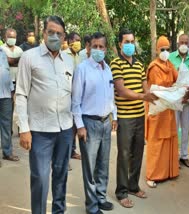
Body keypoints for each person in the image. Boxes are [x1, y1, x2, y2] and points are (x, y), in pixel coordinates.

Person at [15, 16, 74, 214]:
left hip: (65, 129)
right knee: (40, 178)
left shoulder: (69, 60)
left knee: (61, 176)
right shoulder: (29, 57)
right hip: (40, 130)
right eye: (51, 32)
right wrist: (24, 128)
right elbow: (21, 94)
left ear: (64, 36)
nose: (55, 36)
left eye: (59, 33)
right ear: (44, 33)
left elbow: (72, 93)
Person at [110, 28, 157, 208]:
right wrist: (142, 97)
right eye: (126, 42)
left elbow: (146, 88)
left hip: (140, 116)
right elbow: (120, 90)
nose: (130, 45)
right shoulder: (116, 63)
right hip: (125, 116)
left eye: (132, 42)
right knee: (123, 155)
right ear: (120, 44)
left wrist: (158, 96)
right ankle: (121, 192)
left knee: (137, 153)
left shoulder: (139, 64)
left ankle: (133, 186)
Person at [72, 32, 117, 214]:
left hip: (106, 122)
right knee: (89, 168)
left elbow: (111, 96)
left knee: (103, 164)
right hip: (89, 124)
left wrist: (115, 116)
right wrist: (80, 125)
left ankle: (100, 197)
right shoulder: (82, 69)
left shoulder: (108, 69)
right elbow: (75, 101)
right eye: (95, 46)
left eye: (101, 47)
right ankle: (91, 206)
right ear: (89, 48)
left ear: (106, 49)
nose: (98, 50)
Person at [145, 36, 179, 188]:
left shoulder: (170, 65)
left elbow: (178, 81)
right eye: (162, 49)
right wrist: (173, 90)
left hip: (168, 109)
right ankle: (152, 175)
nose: (165, 52)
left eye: (167, 49)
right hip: (157, 109)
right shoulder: (154, 67)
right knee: (156, 141)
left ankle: (168, 172)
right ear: (157, 50)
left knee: (168, 139)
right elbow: (157, 89)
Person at [169, 34, 189, 168]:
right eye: (182, 42)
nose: (184, 45)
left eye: (186, 42)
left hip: (187, 101)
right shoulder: (170, 57)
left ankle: (184, 156)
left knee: (185, 128)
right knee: (174, 128)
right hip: (174, 99)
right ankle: (173, 156)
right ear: (178, 43)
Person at [64, 31, 82, 160]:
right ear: (70, 41)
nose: (78, 43)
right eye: (76, 40)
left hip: (78, 94)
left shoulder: (79, 56)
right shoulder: (64, 56)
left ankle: (72, 150)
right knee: (67, 125)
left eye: (79, 40)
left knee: (75, 125)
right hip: (67, 93)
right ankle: (65, 153)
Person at [0, 47, 15, 165]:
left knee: (6, 124)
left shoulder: (2, 53)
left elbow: (7, 71)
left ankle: (7, 152)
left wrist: (11, 89)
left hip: (5, 94)